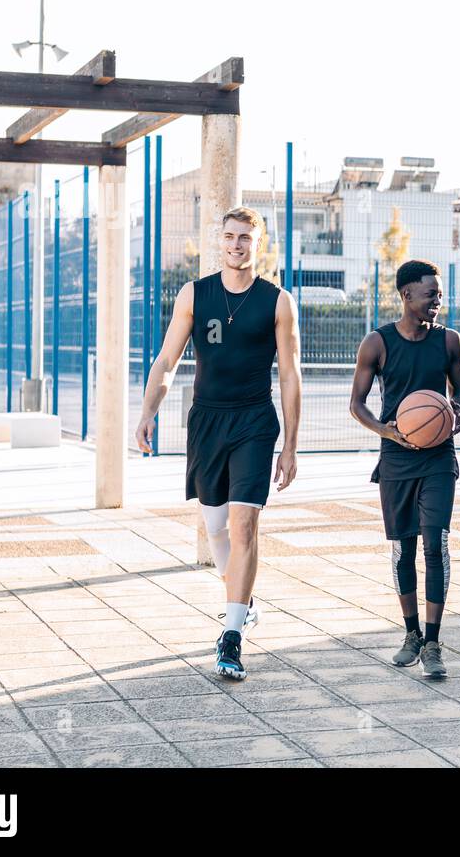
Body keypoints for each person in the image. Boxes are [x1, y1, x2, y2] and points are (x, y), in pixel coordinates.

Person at [137, 206, 301, 682]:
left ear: (258, 243)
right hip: (207, 420)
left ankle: (231, 634)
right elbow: (168, 359)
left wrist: (290, 445)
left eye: (245, 238)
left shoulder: (277, 302)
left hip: (254, 420)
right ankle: (242, 599)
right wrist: (148, 411)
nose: (236, 245)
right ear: (219, 241)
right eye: (229, 237)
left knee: (245, 522)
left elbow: (290, 375)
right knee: (215, 526)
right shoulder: (195, 293)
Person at [350, 260, 460, 680]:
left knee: (436, 545)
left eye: (440, 294)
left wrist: (459, 412)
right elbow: (357, 404)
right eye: (430, 294)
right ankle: (412, 634)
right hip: (396, 458)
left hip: (438, 458)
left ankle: (434, 643)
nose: (438, 300)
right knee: (404, 549)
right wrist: (388, 432)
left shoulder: (450, 341)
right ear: (406, 296)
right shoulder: (377, 343)